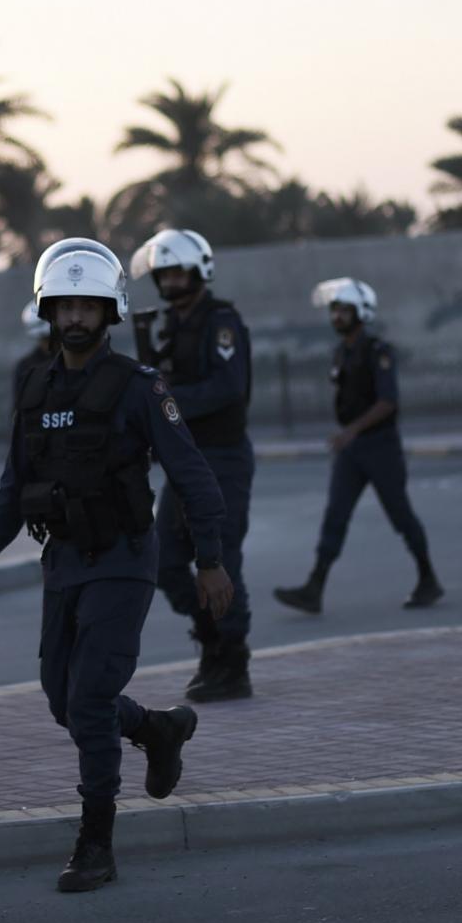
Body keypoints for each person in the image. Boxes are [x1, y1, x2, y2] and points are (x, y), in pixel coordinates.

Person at [0, 238, 228, 892]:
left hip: (126, 560)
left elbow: (192, 474)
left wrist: (210, 560)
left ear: (109, 314)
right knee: (63, 701)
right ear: (49, 311)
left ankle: (96, 842)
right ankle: (158, 730)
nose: (76, 316)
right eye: (65, 305)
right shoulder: (34, 385)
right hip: (64, 560)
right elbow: (13, 481)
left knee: (89, 697)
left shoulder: (138, 388)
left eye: (89, 306)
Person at [130, 228, 257, 702]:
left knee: (220, 560)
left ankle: (233, 661)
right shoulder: (172, 325)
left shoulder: (221, 322)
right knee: (163, 560)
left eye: (179, 271)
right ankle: (209, 639)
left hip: (222, 456)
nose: (170, 281)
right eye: (163, 274)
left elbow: (227, 387)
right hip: (185, 462)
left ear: (200, 270)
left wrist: (167, 400)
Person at [274, 279, 441, 614]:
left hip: (380, 447)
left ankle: (428, 578)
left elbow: (388, 401)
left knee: (400, 515)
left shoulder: (379, 352)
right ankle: (314, 587)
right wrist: (349, 435)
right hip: (352, 450)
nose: (336, 316)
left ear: (361, 313)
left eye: (344, 310)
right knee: (335, 515)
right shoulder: (341, 352)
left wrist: (352, 431)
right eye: (334, 310)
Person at [14, 302, 54, 405]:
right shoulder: (25, 367)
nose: (47, 343)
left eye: (49, 337)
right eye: (43, 338)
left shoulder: (73, 362)